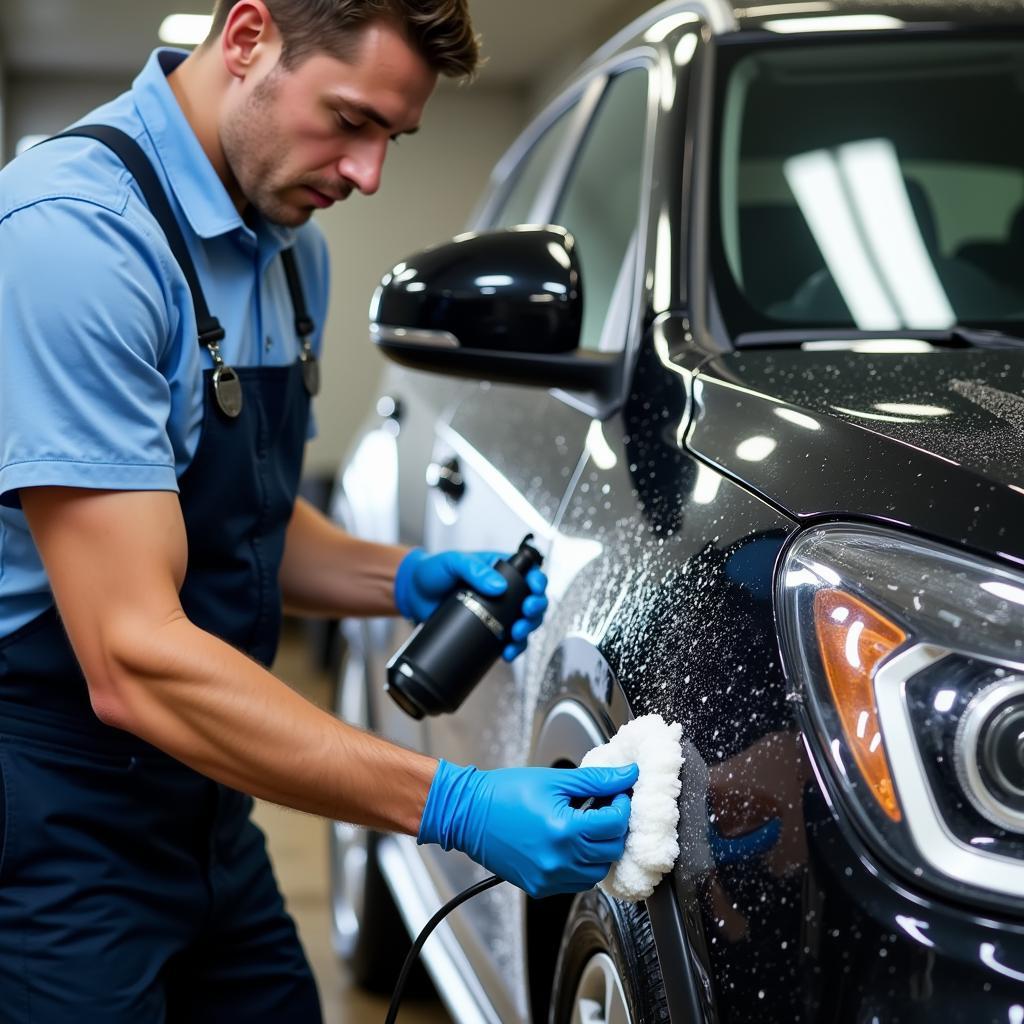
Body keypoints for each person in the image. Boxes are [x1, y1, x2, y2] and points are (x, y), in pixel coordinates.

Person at [0, 1, 638, 1021]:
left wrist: (401, 576)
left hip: (205, 800)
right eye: (348, 120)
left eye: (392, 136)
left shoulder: (292, 243)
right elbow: (130, 655)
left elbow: (234, 516)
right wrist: (453, 805)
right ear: (247, 38)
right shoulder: (76, 241)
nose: (367, 173)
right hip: (54, 817)